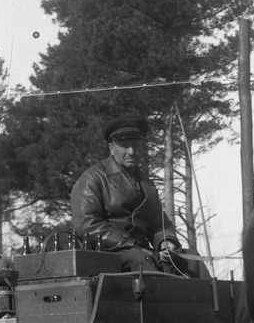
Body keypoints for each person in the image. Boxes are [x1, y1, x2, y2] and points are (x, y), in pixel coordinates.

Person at [70, 115, 203, 276]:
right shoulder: (93, 178)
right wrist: (130, 243)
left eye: (136, 145)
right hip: (108, 252)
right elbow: (86, 225)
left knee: (192, 260)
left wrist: (166, 241)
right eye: (125, 146)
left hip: (141, 250)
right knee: (143, 260)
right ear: (111, 148)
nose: (132, 152)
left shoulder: (147, 184)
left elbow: (158, 223)